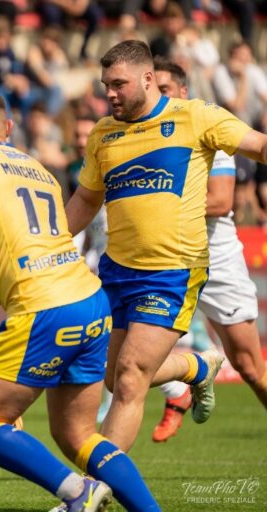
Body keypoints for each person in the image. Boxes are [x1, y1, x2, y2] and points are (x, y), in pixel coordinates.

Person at [0, 87, 158, 511]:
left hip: (44, 308)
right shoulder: (37, 169)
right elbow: (22, 268)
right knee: (77, 434)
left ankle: (78, 492)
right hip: (89, 300)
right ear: (8, 128)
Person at [64, 40, 267, 453]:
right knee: (113, 376)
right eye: (106, 85)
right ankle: (197, 365)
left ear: (148, 79)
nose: (110, 94)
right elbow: (86, 199)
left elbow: (259, 146)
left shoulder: (195, 116)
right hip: (118, 270)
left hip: (174, 269)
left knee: (130, 376)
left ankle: (98, 482)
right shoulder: (103, 133)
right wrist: (48, 245)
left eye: (118, 84)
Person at [149, 58, 267, 442]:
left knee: (249, 366)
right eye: (153, 90)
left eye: (165, 89)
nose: (158, 97)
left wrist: (153, 205)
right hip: (162, 258)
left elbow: (219, 201)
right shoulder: (140, 137)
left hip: (215, 257)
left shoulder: (206, 129)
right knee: (127, 362)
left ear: (183, 92)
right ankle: (183, 385)